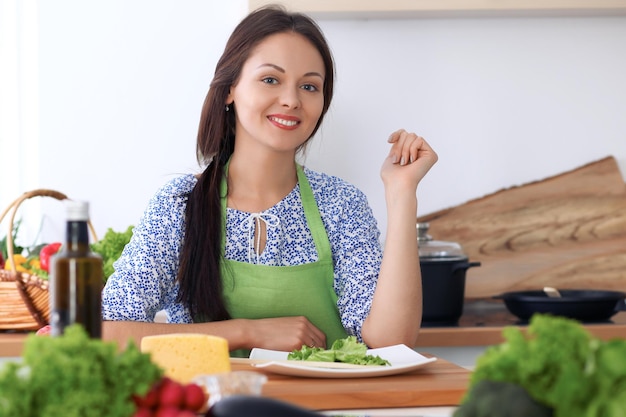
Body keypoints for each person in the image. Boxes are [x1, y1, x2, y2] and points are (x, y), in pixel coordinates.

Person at [101, 4, 438, 354]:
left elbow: (391, 341)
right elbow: (108, 331)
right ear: (230, 88)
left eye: (309, 86)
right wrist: (248, 332)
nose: (291, 100)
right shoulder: (180, 205)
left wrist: (402, 193)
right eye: (270, 80)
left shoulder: (340, 204)